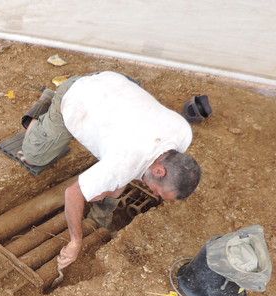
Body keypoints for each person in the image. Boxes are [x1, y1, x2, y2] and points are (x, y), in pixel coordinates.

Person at [19, 71, 201, 270]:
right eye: (158, 191)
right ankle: (46, 105)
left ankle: (100, 216)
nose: (153, 193)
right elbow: (72, 193)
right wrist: (75, 241)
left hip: (117, 83)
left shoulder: (183, 133)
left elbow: (131, 168)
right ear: (159, 171)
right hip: (77, 95)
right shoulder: (123, 161)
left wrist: (106, 193)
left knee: (121, 174)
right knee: (34, 157)